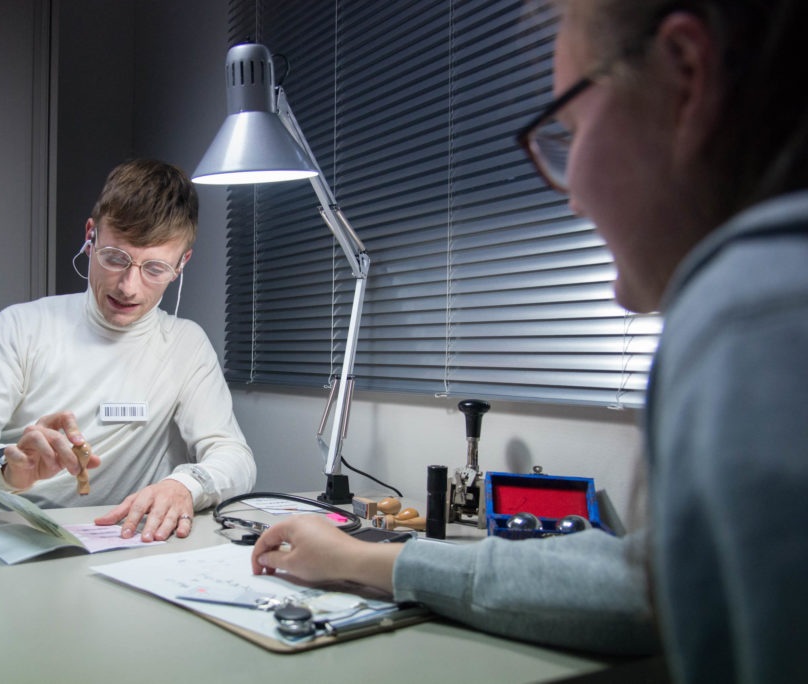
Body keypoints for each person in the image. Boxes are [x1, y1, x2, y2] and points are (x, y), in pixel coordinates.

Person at [251, 1, 808, 681]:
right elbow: (645, 580)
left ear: (685, 77)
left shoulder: (751, 315)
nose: (572, 197)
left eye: (571, 133)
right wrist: (367, 560)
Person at [0, 159, 256, 542]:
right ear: (90, 236)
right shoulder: (23, 325)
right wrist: (5, 464)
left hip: (111, 538)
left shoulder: (185, 345)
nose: (128, 287)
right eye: (115, 258)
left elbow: (234, 456)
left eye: (154, 269)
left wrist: (184, 485)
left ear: (182, 264)